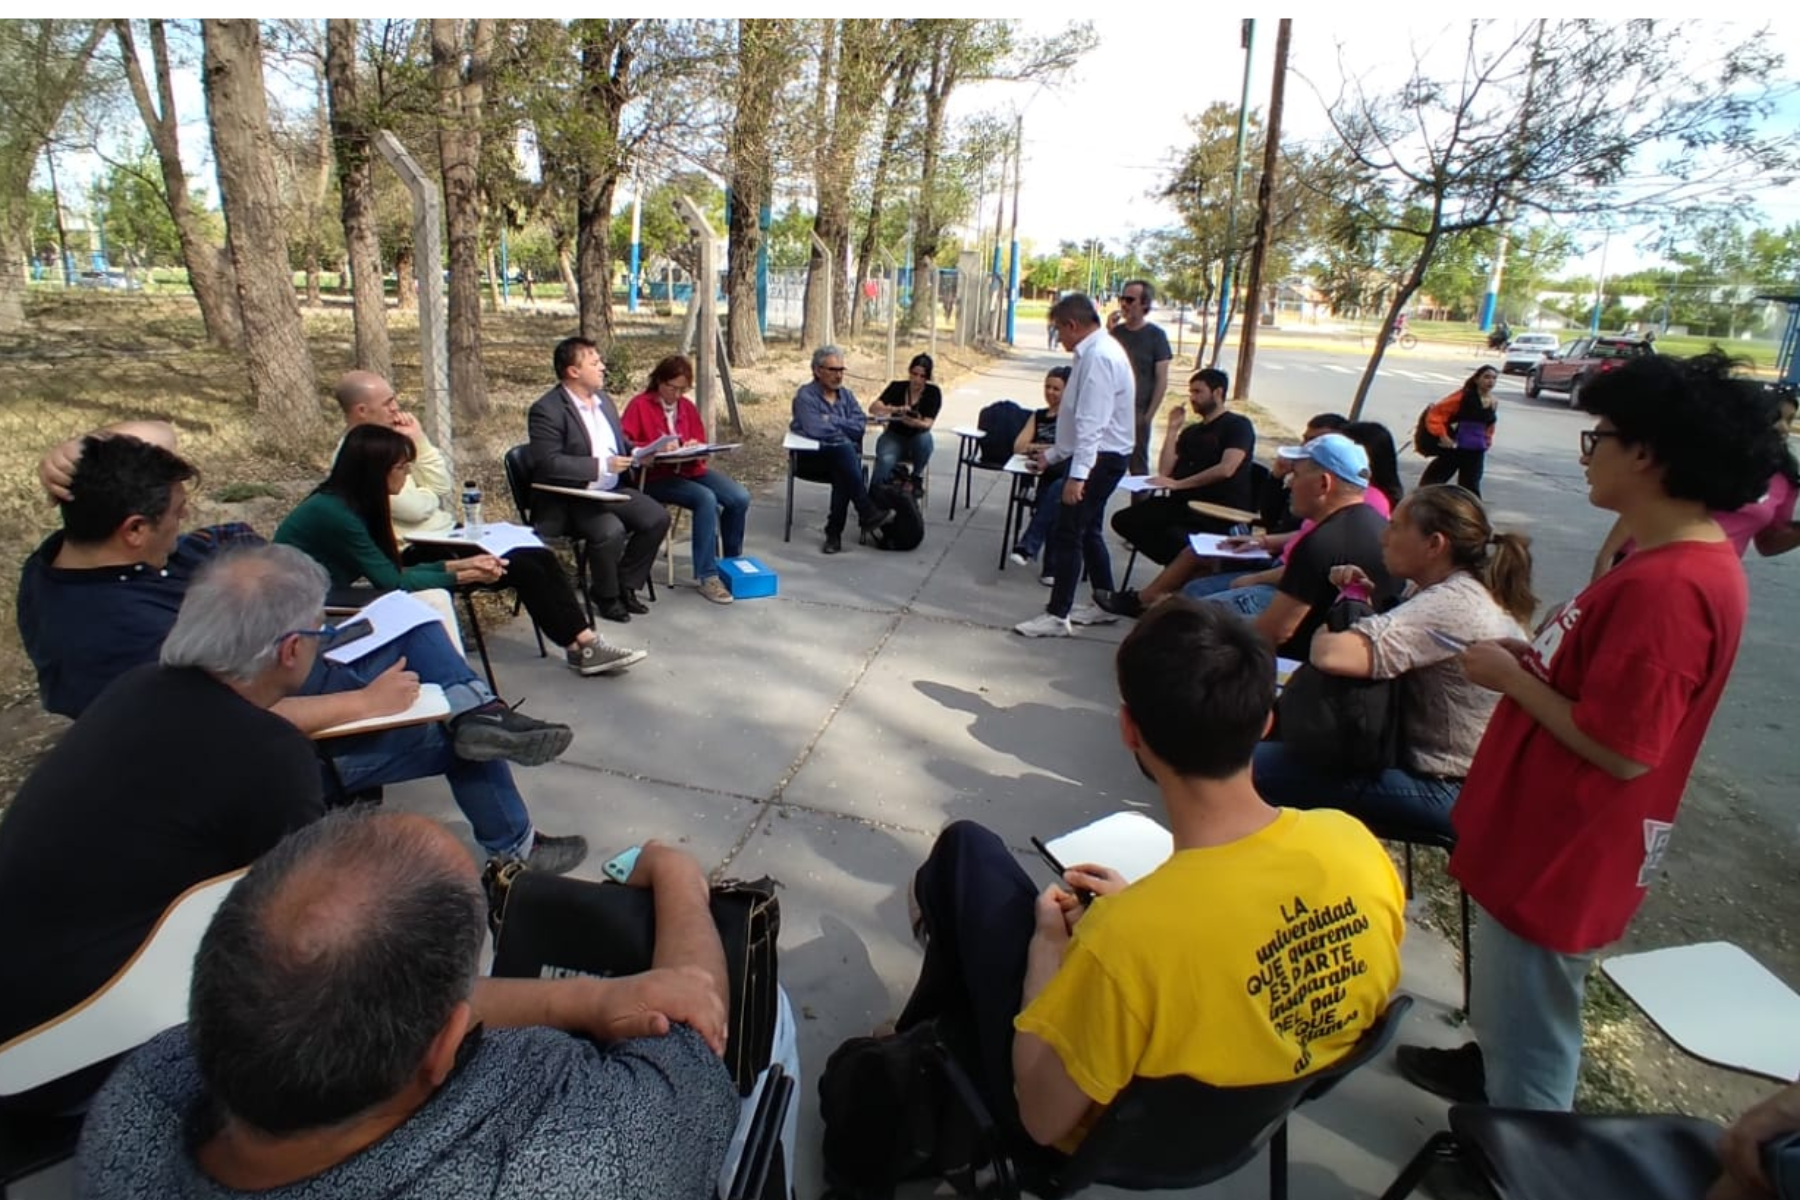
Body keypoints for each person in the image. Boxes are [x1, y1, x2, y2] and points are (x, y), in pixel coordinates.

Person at [1394, 351, 1785, 1112]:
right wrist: (1529, 663)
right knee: (1514, 1027)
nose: (1588, 455)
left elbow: (1623, 747)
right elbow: (1598, 689)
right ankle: (1497, 1106)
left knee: (1532, 1061)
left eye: (1596, 438)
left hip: (1562, 849)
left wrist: (1510, 682)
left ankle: (1518, 1162)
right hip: (1542, 836)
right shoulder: (1661, 560)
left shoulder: (1672, 587)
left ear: (1645, 453)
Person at [899, 600, 1403, 1172]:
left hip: (1099, 1146)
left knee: (968, 853)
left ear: (1129, 730)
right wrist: (1136, 913)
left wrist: (1049, 949)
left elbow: (1040, 1119)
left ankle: (919, 1050)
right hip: (1250, 1121)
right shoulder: (1355, 845)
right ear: (1266, 722)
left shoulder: (1126, 941)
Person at [76, 810, 793, 1199]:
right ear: (448, 1043)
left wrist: (587, 996)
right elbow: (696, 1021)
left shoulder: (136, 1104)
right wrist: (676, 872)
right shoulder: (574, 1157)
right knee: (777, 1024)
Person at [17, 430, 585, 873]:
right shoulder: (114, 637)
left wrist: (76, 454)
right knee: (457, 743)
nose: (186, 521)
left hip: (292, 657)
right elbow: (224, 725)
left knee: (416, 622)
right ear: (134, 528)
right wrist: (365, 704)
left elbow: (156, 434)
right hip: (286, 718)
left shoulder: (71, 560)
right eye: (177, 514)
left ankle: (479, 712)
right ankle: (513, 840)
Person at [1251, 484, 1537, 839]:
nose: (1384, 537)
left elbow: (1331, 654)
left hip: (1448, 787)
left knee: (1239, 769)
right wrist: (1358, 597)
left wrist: (1333, 617)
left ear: (1435, 544)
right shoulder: (1455, 587)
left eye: (1397, 527)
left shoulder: (1453, 603)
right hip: (1449, 772)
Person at [332, 371, 642, 672]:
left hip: (446, 533)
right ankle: (581, 647)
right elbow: (414, 508)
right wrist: (427, 497)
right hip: (413, 547)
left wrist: (420, 441)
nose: (396, 409)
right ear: (361, 410)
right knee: (524, 567)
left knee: (538, 553)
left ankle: (584, 643)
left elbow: (440, 486)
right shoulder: (356, 456)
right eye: (388, 403)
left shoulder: (390, 441)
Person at [1014, 293, 1136, 638]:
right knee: (1089, 528)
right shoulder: (1094, 352)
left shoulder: (1098, 356)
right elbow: (1074, 417)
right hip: (1098, 455)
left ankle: (1058, 613)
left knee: (1069, 531)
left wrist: (1077, 476)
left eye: (1059, 330)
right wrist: (1053, 455)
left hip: (1099, 458)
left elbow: (1092, 423)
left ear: (1073, 325)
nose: (1059, 338)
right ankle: (1104, 600)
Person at [527, 337, 673, 623]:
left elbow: (619, 443)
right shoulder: (547, 410)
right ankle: (605, 596)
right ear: (573, 371)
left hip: (611, 489)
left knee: (656, 517)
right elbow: (548, 463)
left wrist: (640, 452)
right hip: (570, 497)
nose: (603, 367)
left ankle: (625, 585)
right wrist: (600, 466)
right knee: (610, 531)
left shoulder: (604, 401)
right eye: (594, 363)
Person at [1588, 385, 1800, 580]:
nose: (1783, 427)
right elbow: (1649, 504)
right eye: (1776, 416)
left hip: (1711, 576)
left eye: (1790, 420)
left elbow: (1767, 544)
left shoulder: (1786, 480)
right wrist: (1605, 557)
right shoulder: (1712, 460)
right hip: (1646, 564)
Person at [1245, 433, 1394, 657]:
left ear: (1323, 483)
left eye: (1296, 475)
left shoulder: (1322, 542)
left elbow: (1274, 632)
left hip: (1300, 666)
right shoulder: (1382, 528)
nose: (1290, 484)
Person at [620, 354, 752, 605]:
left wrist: (694, 445)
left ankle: (731, 562)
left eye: (682, 389)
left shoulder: (687, 407)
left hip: (689, 470)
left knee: (739, 497)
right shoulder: (640, 405)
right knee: (706, 499)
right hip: (656, 477)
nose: (677, 394)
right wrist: (652, 449)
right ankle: (708, 575)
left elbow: (699, 441)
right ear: (659, 381)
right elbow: (624, 443)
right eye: (672, 387)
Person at [1109, 367, 1257, 565]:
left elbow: (1227, 468)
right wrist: (1172, 430)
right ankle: (1178, 567)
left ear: (1218, 393)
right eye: (1191, 392)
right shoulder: (1192, 431)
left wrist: (1180, 484)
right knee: (1125, 520)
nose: (1192, 398)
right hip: (1183, 503)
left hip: (1216, 507)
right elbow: (1166, 470)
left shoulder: (1237, 425)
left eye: (1198, 392)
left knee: (1174, 535)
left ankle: (1183, 571)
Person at [789, 344, 894, 555]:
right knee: (846, 453)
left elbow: (860, 426)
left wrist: (832, 420)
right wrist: (841, 428)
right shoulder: (806, 396)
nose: (838, 376)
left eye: (841, 370)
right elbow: (814, 428)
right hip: (812, 458)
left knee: (844, 464)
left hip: (840, 461)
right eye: (832, 370)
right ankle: (865, 511)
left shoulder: (846, 396)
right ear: (817, 371)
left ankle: (834, 534)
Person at [1008, 366, 1071, 574]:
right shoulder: (1039, 415)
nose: (1050, 392)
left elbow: (1068, 449)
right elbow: (1019, 446)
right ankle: (1048, 567)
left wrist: (1042, 448)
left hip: (1062, 473)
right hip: (1043, 473)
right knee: (1050, 502)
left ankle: (1032, 550)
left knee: (1053, 499)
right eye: (1047, 387)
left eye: (1056, 389)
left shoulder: (1071, 418)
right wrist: (1046, 448)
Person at [1108, 279, 1173, 476]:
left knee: (1138, 467)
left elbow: (1161, 379)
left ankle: (1140, 505)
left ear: (1144, 303)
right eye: (1122, 299)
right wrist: (1109, 331)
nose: (1124, 304)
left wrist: (1148, 416)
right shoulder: (1116, 333)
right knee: (1104, 463)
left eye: (1130, 300)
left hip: (1138, 411)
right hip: (1112, 409)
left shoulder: (1156, 336)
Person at [868, 352, 942, 492]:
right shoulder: (897, 387)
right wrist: (895, 409)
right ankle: (875, 495)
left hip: (917, 437)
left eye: (922, 376)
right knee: (885, 459)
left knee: (925, 439)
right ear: (909, 372)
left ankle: (915, 476)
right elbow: (873, 408)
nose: (917, 379)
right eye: (914, 374)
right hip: (894, 435)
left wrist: (913, 422)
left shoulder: (933, 393)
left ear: (927, 377)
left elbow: (928, 424)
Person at [1419, 366, 1499, 495]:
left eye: (1494, 378)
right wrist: (1443, 436)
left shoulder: (1493, 402)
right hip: (1454, 448)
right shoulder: (1461, 397)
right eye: (1486, 377)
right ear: (1477, 379)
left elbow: (1489, 426)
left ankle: (1469, 513)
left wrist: (1487, 441)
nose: (1490, 381)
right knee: (1431, 483)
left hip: (1475, 451)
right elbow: (1435, 414)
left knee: (1470, 488)